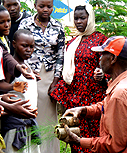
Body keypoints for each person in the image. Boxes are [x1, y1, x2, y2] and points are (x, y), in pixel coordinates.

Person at [50, 3, 108, 153]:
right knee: (75, 131)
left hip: (93, 95)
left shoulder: (101, 40)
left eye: (82, 18)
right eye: (76, 18)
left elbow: (109, 66)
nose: (79, 22)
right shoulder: (72, 42)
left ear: (90, 18)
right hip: (75, 95)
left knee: (94, 134)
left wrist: (102, 74)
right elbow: (67, 70)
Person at [62, 35, 127, 153]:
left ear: (113, 58)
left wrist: (79, 141)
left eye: (103, 55)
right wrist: (84, 110)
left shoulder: (119, 94)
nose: (100, 59)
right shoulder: (119, 83)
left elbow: (116, 144)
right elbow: (107, 107)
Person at [18, 0, 65, 152]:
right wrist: (25, 71)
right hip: (28, 74)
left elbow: (60, 54)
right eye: (41, 6)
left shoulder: (58, 26)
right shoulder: (26, 24)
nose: (45, 9)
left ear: (53, 7)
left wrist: (56, 81)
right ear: (35, 6)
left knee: (49, 117)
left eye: (49, 6)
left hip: (50, 77)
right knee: (30, 112)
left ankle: (49, 150)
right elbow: (19, 48)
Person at [1, 29, 41, 153]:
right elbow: (2, 88)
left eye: (31, 46)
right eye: (24, 46)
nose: (28, 49)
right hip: (15, 126)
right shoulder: (11, 68)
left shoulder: (27, 66)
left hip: (29, 124)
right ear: (14, 44)